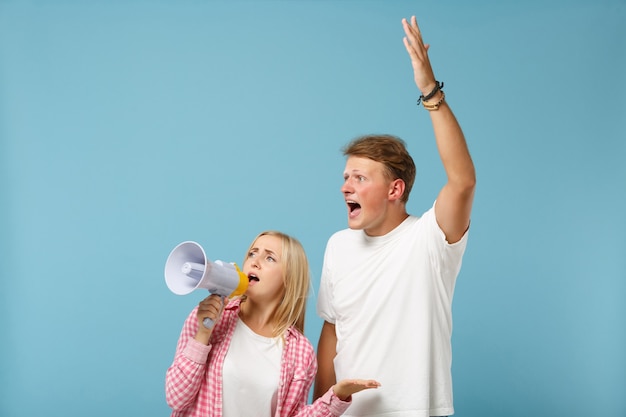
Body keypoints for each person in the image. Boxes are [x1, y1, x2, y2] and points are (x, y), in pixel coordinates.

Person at [313, 16, 476, 417]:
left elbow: (462, 182)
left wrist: (429, 92)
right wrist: (320, 408)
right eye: (345, 177)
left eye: (359, 178)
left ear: (395, 190)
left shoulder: (430, 239)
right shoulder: (337, 245)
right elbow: (331, 333)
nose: (345, 187)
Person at [165, 230, 380, 417]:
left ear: (289, 278)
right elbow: (176, 398)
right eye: (252, 253)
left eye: (269, 258)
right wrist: (203, 335)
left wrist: (337, 396)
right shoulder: (208, 319)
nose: (255, 261)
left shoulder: (300, 352)